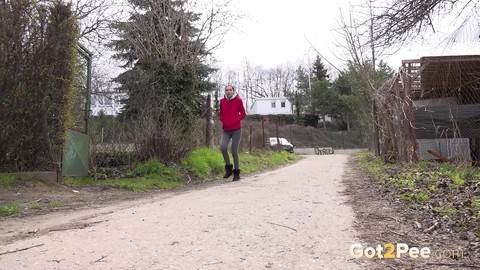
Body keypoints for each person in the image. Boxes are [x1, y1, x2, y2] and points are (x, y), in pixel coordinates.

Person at [219, 84, 246, 181]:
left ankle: (236, 173)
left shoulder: (238, 100)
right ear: (225, 91)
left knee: (234, 151)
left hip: (236, 130)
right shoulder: (222, 101)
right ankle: (228, 169)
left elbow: (243, 113)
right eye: (226, 90)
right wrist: (223, 120)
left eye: (230, 90)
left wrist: (236, 119)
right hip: (226, 130)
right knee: (223, 147)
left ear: (233, 91)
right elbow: (221, 113)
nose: (228, 91)